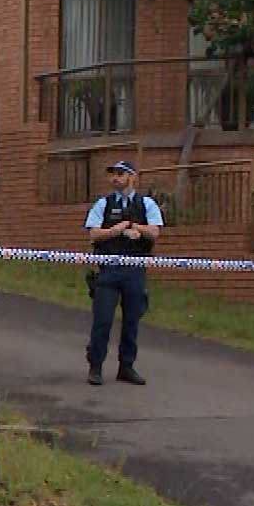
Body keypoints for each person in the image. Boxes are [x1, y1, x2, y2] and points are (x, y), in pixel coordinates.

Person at [83, 161, 163, 387]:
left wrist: (137, 229)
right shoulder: (103, 204)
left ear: (132, 177)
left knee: (132, 320)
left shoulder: (146, 203)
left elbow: (155, 232)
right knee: (103, 320)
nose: (115, 178)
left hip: (134, 270)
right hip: (108, 270)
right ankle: (95, 366)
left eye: (120, 174)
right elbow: (93, 234)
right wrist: (115, 231)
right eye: (112, 175)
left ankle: (126, 367)